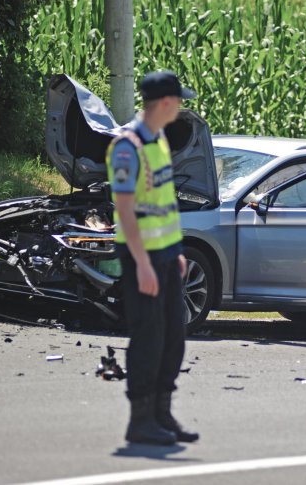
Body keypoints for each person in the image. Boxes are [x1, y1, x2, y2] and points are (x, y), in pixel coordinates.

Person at [105, 70, 200, 445]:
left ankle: (162, 413)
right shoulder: (127, 147)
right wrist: (143, 262)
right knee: (148, 334)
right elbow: (125, 210)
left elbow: (165, 203)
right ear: (165, 103)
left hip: (164, 253)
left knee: (173, 335)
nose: (181, 106)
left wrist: (175, 253)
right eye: (179, 100)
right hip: (139, 254)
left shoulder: (159, 139)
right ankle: (140, 419)